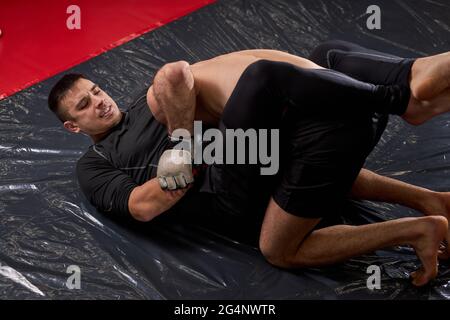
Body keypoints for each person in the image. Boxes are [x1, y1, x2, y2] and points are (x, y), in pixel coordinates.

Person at [48, 40, 450, 287]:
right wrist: (189, 154)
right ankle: (399, 96)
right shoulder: (95, 165)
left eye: (97, 90)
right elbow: (143, 206)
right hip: (226, 190)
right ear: (72, 126)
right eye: (85, 104)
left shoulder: (143, 104)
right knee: (258, 79)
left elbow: (187, 84)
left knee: (324, 57)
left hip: (254, 152)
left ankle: (405, 90)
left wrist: (187, 135)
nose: (100, 101)